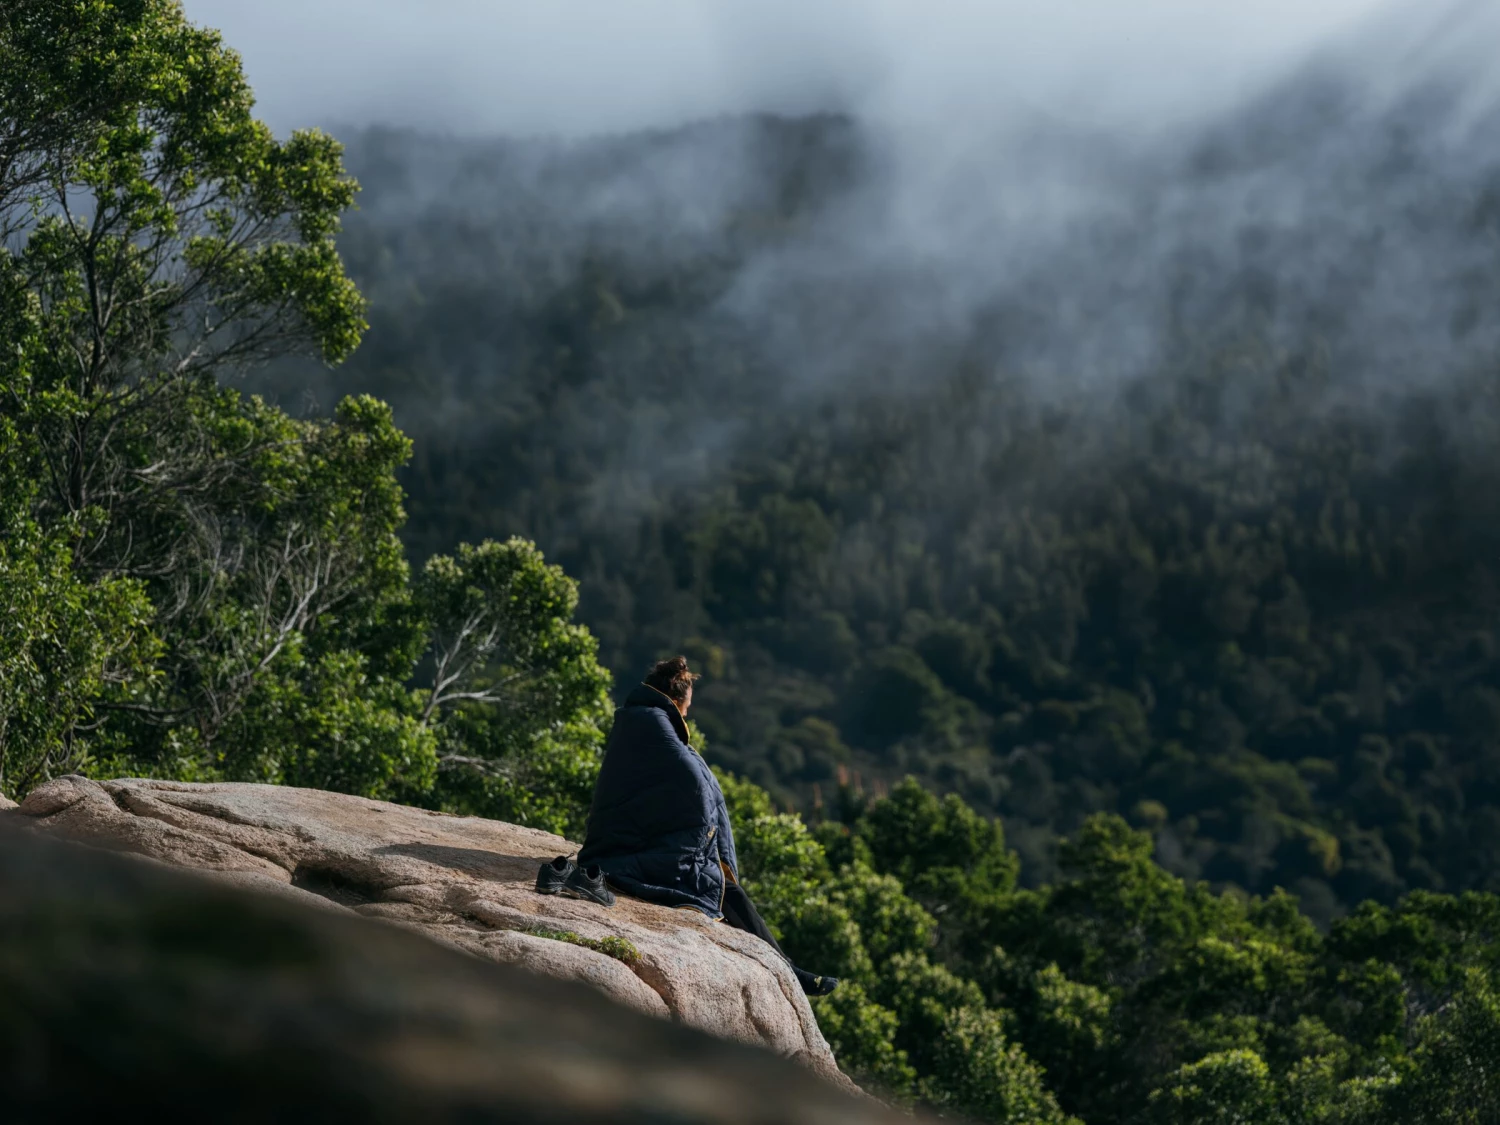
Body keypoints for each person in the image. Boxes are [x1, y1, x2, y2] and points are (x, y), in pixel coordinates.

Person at [577, 656, 838, 997]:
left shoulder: (638, 719)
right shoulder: (652, 726)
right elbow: (695, 789)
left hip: (628, 839)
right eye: (687, 708)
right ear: (677, 701)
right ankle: (791, 971)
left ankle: (789, 968)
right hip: (625, 849)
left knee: (723, 885)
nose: (687, 715)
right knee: (721, 885)